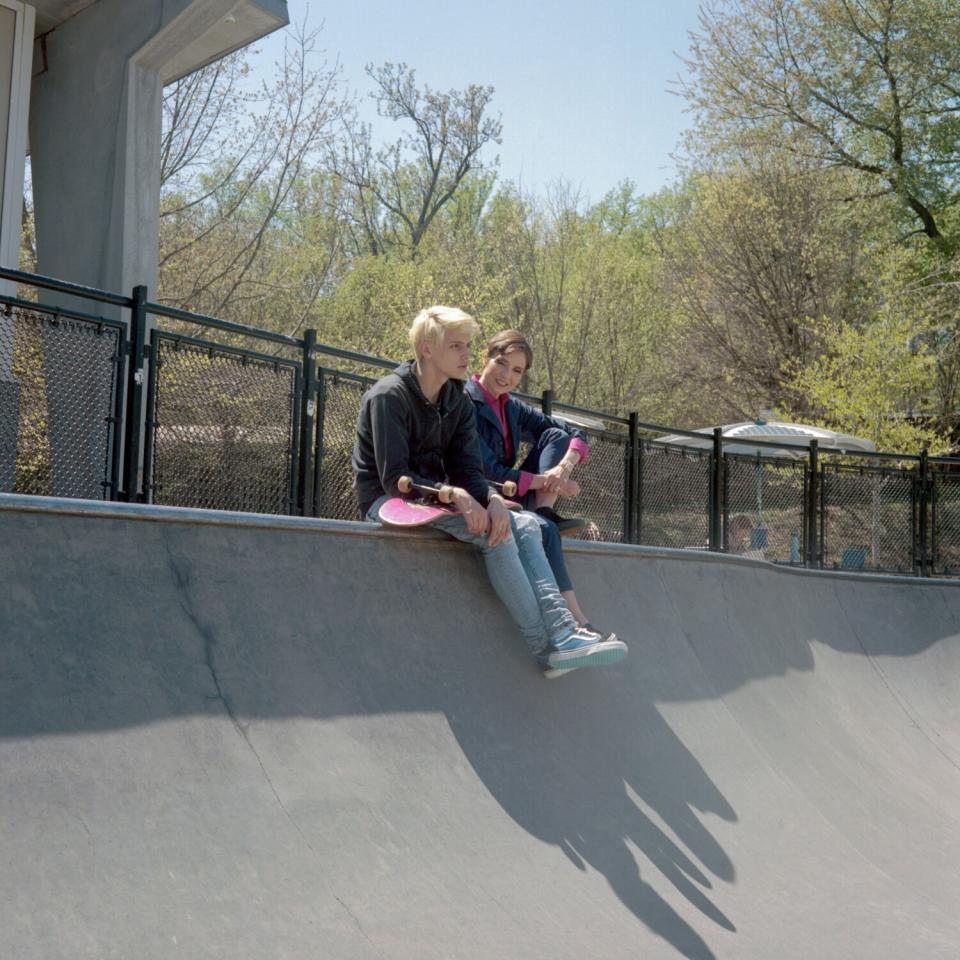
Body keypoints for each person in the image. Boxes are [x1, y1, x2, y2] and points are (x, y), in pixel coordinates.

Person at [352, 305, 627, 675]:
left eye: (468, 345)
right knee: (492, 535)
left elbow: (468, 469)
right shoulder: (390, 397)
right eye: (456, 347)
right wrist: (456, 497)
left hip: (439, 500)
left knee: (526, 524)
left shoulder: (454, 400)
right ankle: (544, 647)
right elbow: (394, 479)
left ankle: (564, 632)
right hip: (389, 502)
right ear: (428, 349)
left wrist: (493, 499)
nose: (466, 355)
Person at [465, 329, 593, 626]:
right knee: (547, 530)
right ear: (485, 357)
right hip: (483, 493)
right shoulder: (465, 403)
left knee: (556, 434)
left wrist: (563, 470)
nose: (506, 375)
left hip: (516, 492)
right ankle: (578, 621)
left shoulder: (511, 406)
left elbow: (576, 432)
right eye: (501, 363)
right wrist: (545, 482)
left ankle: (544, 508)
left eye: (517, 371)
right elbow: (487, 471)